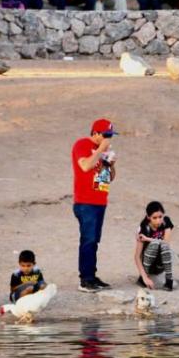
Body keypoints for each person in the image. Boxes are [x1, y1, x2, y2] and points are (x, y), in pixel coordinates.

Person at [72, 118, 118, 293]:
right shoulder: (82, 144)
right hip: (85, 202)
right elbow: (84, 166)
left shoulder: (103, 151)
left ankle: (92, 276)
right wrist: (100, 150)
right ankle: (85, 280)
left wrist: (111, 165)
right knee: (88, 240)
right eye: (106, 135)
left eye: (111, 135)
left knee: (94, 241)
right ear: (96, 133)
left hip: (100, 201)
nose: (108, 139)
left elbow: (109, 178)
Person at [135, 200, 175, 290]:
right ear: (148, 217)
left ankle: (169, 281)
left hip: (161, 263)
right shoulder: (144, 228)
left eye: (160, 217)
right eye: (155, 218)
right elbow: (137, 257)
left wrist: (147, 239)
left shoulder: (165, 222)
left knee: (163, 245)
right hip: (148, 263)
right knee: (155, 244)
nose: (158, 220)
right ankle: (142, 278)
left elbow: (166, 242)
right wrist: (144, 277)